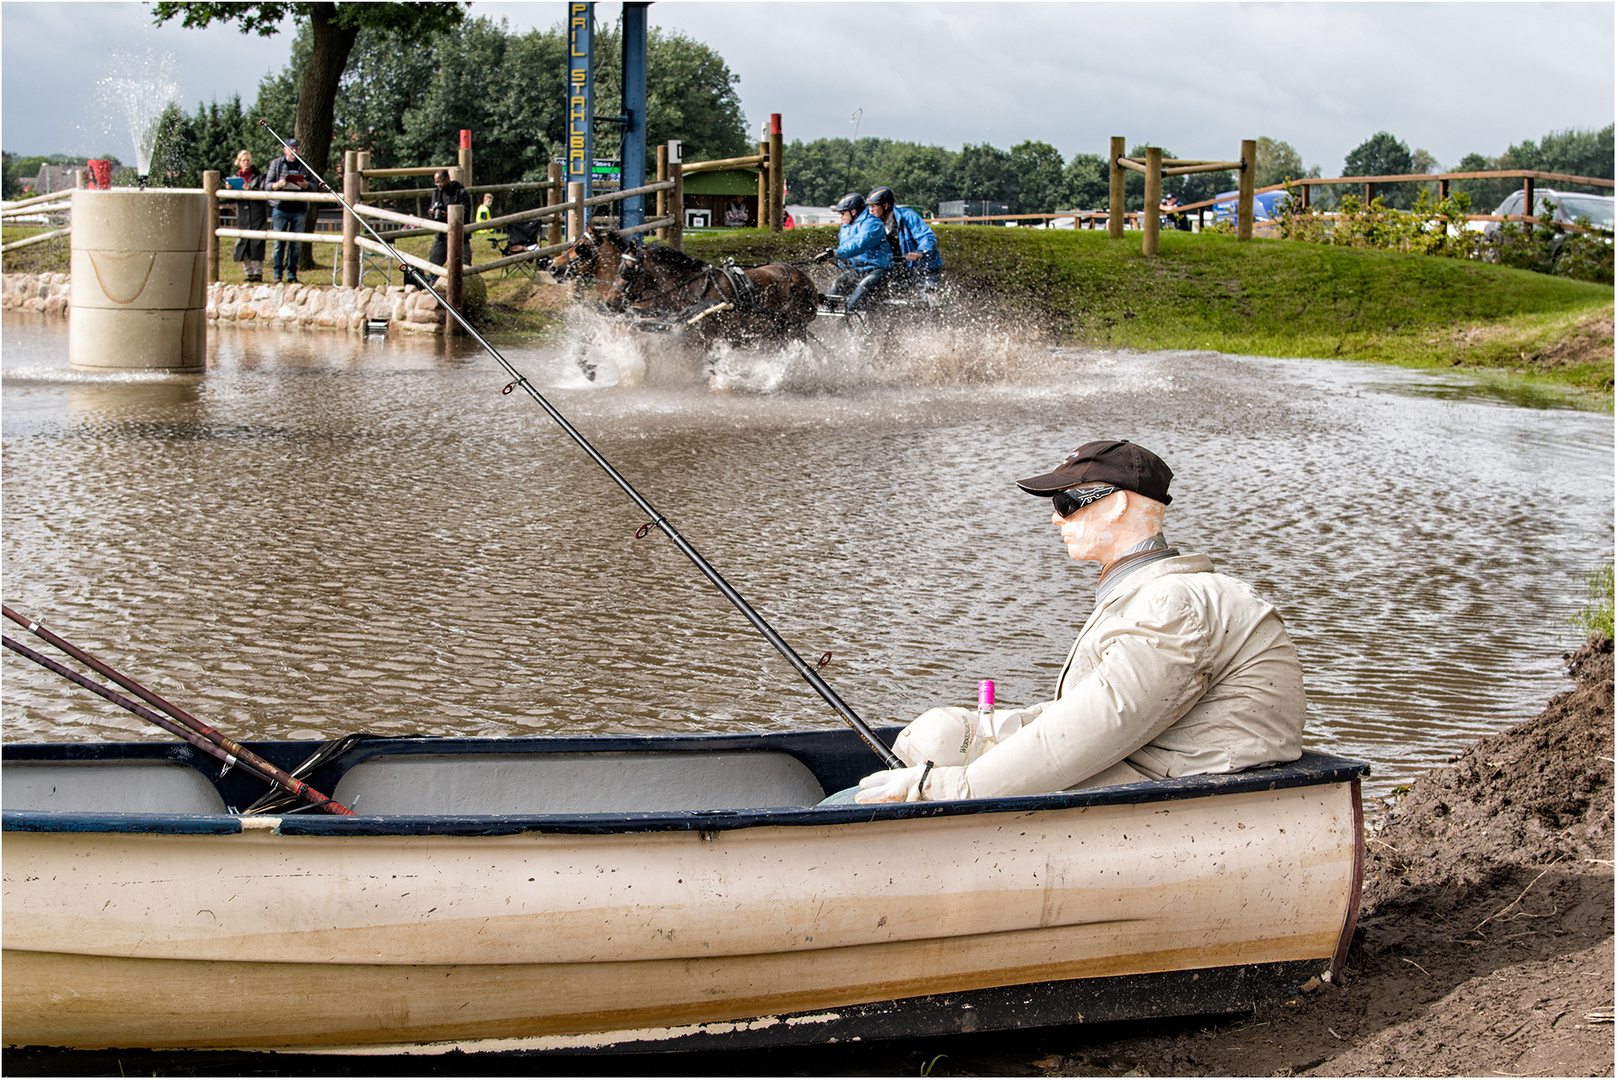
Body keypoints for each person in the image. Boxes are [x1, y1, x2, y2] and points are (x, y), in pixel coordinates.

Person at [851, 439, 1306, 804]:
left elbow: (1100, 726)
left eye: (1067, 501)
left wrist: (951, 789)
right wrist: (983, 731)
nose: (1055, 517)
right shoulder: (1151, 593)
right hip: (1156, 759)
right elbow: (1095, 712)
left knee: (938, 764)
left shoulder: (1170, 606)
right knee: (938, 736)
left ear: (1116, 505)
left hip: (1194, 790)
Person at [824, 192, 892, 312]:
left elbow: (859, 244)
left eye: (842, 213)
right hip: (856, 271)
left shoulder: (872, 223)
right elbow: (845, 251)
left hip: (877, 270)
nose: (841, 216)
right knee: (837, 284)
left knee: (862, 288)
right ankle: (827, 313)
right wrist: (841, 260)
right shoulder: (845, 228)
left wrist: (837, 253)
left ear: (853, 212)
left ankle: (849, 315)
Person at [865, 186, 942, 291]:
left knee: (930, 297)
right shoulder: (874, 225)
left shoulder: (908, 216)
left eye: (874, 206)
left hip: (924, 268)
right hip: (898, 269)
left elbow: (926, 236)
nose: (871, 210)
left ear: (886, 206)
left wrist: (920, 252)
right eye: (870, 206)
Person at [264, 137, 314, 284]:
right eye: (291, 148)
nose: (294, 151)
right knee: (279, 244)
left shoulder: (306, 164)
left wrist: (305, 185)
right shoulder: (277, 164)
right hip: (280, 208)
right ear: (285, 150)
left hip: (299, 209)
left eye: (297, 148)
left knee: (296, 245)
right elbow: (267, 185)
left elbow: (314, 185)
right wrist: (278, 185)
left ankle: (292, 274)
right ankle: (277, 274)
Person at [230, 149, 267, 283]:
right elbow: (229, 200)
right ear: (238, 162)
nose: (246, 163)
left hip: (257, 213)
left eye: (248, 160)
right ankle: (248, 272)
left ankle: (258, 272)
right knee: (243, 243)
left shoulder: (259, 176)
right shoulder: (235, 178)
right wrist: (229, 190)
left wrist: (251, 189)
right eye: (243, 160)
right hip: (242, 214)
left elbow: (264, 192)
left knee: (257, 243)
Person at [428, 169, 474, 269]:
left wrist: (449, 215)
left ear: (448, 178)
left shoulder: (461, 192)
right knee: (433, 264)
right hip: (442, 235)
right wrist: (433, 212)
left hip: (460, 235)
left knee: (465, 265)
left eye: (441, 181)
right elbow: (431, 212)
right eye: (436, 182)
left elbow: (466, 213)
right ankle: (433, 283)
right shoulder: (437, 193)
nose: (439, 185)